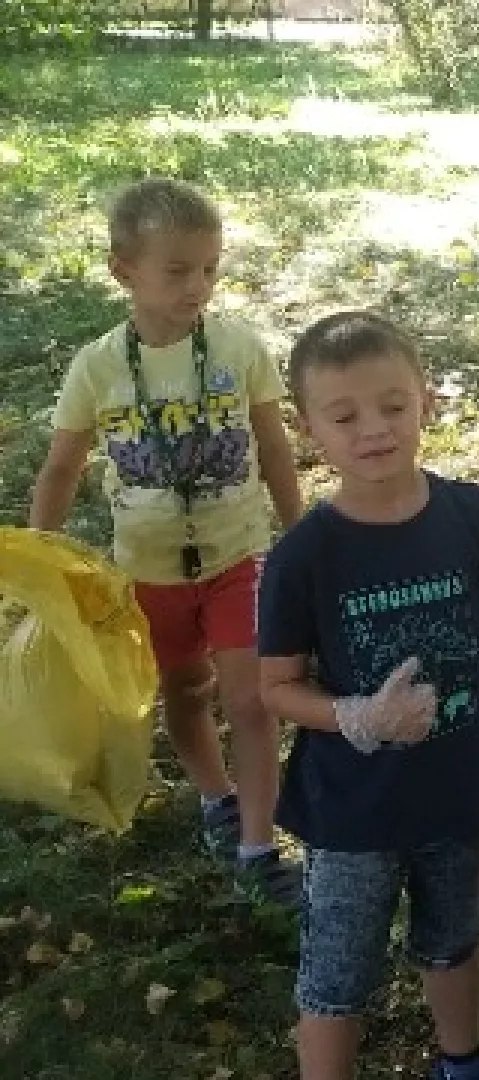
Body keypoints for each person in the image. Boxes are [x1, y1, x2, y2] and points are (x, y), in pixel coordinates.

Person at [257, 311, 479, 1079]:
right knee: (338, 974)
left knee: (453, 937)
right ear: (308, 426)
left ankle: (463, 1063)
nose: (374, 430)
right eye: (345, 415)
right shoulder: (304, 556)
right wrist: (353, 715)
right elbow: (276, 688)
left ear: (426, 397)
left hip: (456, 796)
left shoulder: (476, 518)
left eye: (393, 404)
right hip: (352, 812)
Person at [28, 177, 305, 907]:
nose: (200, 285)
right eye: (178, 270)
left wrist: (300, 534)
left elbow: (275, 450)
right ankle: (215, 796)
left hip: (238, 556)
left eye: (211, 267)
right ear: (124, 270)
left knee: (252, 700)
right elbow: (61, 468)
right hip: (147, 573)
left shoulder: (241, 349)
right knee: (186, 691)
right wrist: (35, 562)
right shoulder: (97, 368)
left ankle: (256, 844)